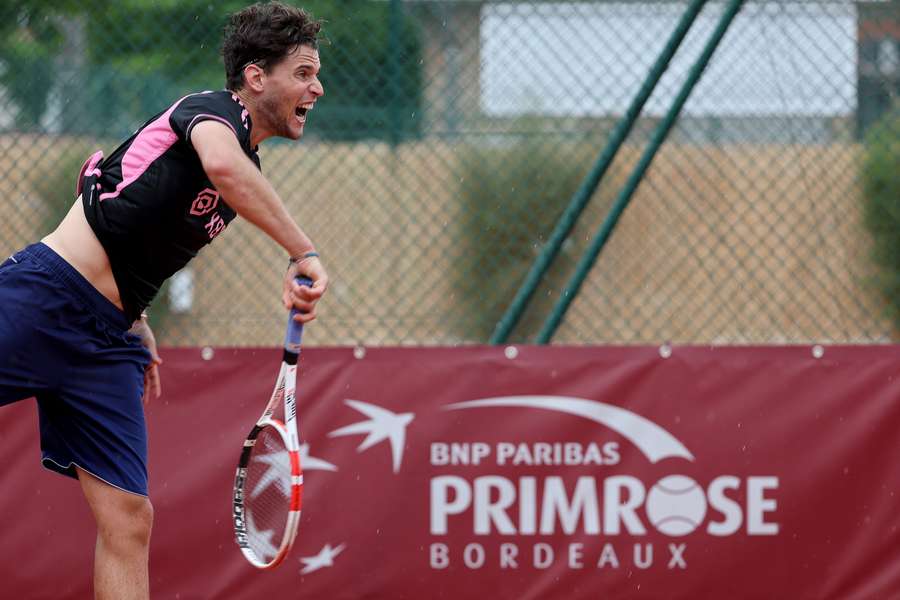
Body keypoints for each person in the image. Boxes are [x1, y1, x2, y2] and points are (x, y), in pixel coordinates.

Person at [0, 2, 327, 598]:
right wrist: (302, 251)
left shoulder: (244, 167)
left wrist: (138, 316)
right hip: (44, 300)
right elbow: (222, 168)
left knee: (129, 519)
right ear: (256, 77)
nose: (317, 87)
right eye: (304, 72)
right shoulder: (207, 114)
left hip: (106, 345)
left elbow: (135, 214)